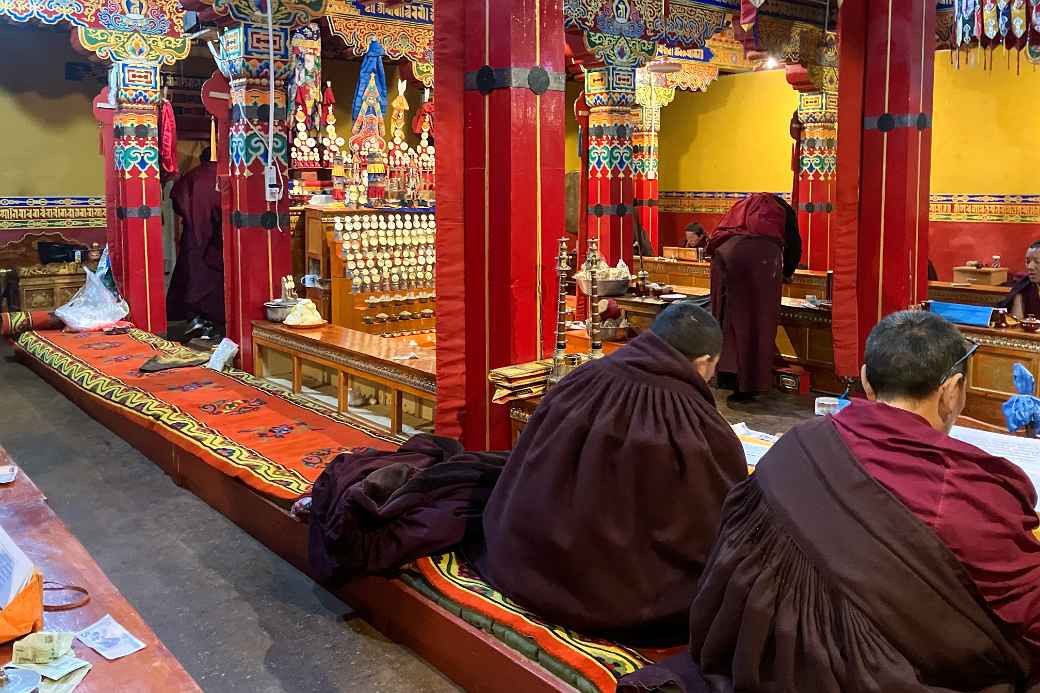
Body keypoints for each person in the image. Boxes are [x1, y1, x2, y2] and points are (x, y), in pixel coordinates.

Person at [618, 310, 1040, 693]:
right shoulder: (966, 491)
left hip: (760, 655)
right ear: (951, 391)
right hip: (871, 674)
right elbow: (1027, 612)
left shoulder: (799, 443)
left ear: (866, 379)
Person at [473, 302, 748, 644]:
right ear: (704, 362)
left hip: (524, 554)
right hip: (615, 596)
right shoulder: (695, 423)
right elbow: (720, 515)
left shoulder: (582, 378)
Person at [708, 193, 801, 402]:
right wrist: (787, 272)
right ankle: (749, 385)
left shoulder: (743, 205)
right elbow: (794, 246)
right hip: (759, 256)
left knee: (726, 317)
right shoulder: (783, 212)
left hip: (722, 253)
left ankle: (723, 376)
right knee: (757, 319)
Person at [167, 146, 224, 335]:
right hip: (217, 238)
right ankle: (216, 324)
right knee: (213, 281)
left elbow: (176, 198)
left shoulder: (192, 176)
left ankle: (195, 319)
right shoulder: (226, 176)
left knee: (193, 275)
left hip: (193, 236)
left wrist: (189, 217)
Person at [1000, 240, 1040, 319]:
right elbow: (1017, 324)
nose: (1030, 267)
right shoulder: (1023, 288)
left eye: (1037, 262)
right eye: (1027, 261)